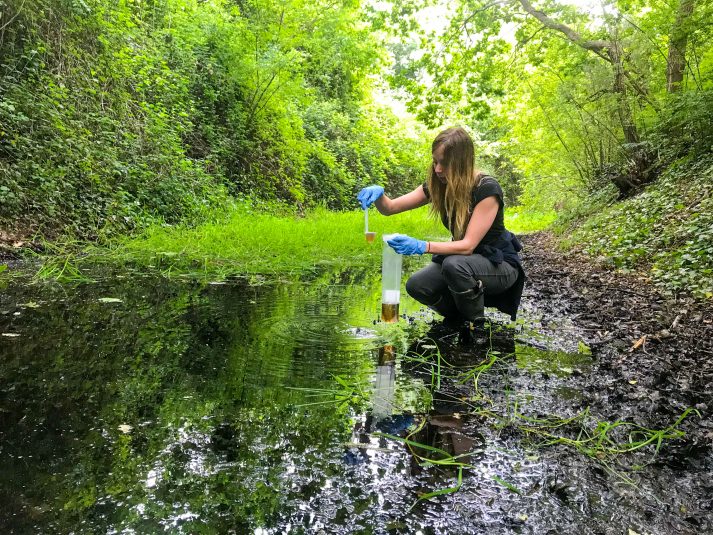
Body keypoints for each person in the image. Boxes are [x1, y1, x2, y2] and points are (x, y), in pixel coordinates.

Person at [357, 126, 525, 333]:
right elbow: (390, 208)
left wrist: (423, 246)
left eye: (444, 164)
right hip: (465, 261)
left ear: (462, 163)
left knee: (454, 265)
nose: (437, 169)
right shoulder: (438, 183)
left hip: (499, 265)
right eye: (435, 161)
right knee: (417, 285)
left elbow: (467, 246)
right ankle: (458, 319)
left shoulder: (486, 189)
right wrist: (379, 196)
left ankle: (477, 325)